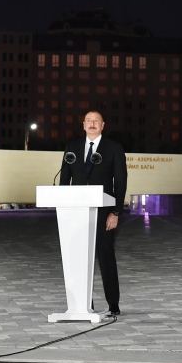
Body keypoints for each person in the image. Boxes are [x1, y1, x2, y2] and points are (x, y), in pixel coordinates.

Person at [59, 110, 128, 317]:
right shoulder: (72, 148)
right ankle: (83, 304)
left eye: (96, 121)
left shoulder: (114, 148)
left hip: (104, 213)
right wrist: (65, 206)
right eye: (88, 121)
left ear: (103, 125)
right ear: (83, 125)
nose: (92, 124)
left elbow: (120, 182)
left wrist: (115, 212)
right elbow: (64, 180)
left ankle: (113, 304)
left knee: (105, 256)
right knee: (79, 258)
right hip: (77, 214)